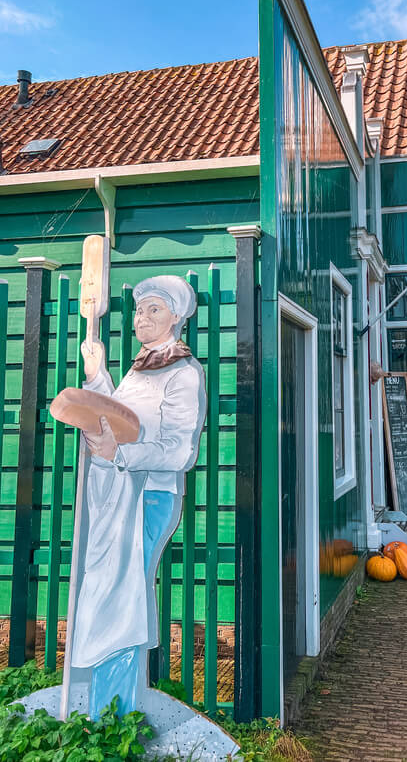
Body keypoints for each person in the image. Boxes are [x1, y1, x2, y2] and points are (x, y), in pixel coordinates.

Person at [75, 276, 206, 719]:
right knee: (108, 594)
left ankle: (113, 715)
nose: (142, 318)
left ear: (176, 318)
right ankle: (105, 713)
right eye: (139, 310)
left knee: (122, 600)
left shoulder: (183, 374)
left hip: (148, 498)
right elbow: (116, 416)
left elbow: (180, 449)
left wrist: (122, 453)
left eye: (154, 309)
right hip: (117, 493)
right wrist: (98, 375)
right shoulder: (139, 368)